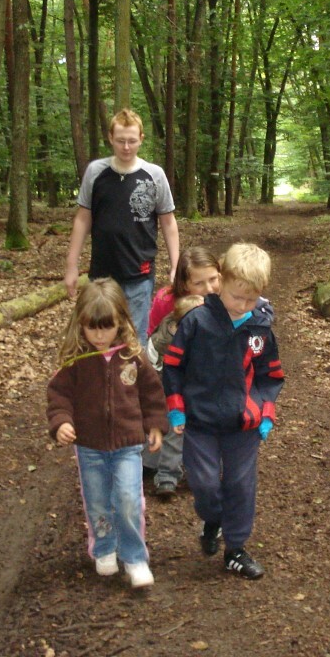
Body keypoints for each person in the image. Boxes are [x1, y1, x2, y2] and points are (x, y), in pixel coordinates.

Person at [162, 243, 285, 580]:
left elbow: (270, 375)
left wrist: (266, 412)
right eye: (235, 297)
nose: (242, 305)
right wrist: (177, 409)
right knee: (203, 484)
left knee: (240, 485)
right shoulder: (197, 321)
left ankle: (236, 548)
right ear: (222, 282)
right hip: (200, 420)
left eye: (250, 299)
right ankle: (213, 518)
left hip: (244, 423)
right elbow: (173, 366)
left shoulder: (260, 329)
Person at [46, 279, 168, 589]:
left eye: (107, 327)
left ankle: (134, 557)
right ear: (81, 324)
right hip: (90, 447)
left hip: (128, 444)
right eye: (92, 328)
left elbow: (152, 393)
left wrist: (155, 424)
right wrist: (61, 422)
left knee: (128, 499)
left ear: (121, 322)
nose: (100, 335)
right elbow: (59, 396)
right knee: (98, 501)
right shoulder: (76, 361)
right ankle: (104, 547)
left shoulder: (133, 357)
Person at [63, 109, 179, 346]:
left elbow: (168, 221)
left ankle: (131, 372)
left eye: (132, 141)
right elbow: (83, 218)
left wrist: (176, 265)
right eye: (120, 141)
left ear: (141, 139)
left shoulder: (154, 175)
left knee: (134, 340)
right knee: (98, 336)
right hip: (101, 276)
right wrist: (71, 265)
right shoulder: (96, 172)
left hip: (139, 273)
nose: (126, 147)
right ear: (110, 138)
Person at [142, 247, 222, 498]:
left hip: (209, 374)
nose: (209, 288)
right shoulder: (166, 301)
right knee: (169, 415)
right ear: (185, 284)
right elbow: (153, 338)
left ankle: (205, 466)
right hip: (170, 370)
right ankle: (157, 464)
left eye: (213, 279)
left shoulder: (227, 298)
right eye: (199, 283)